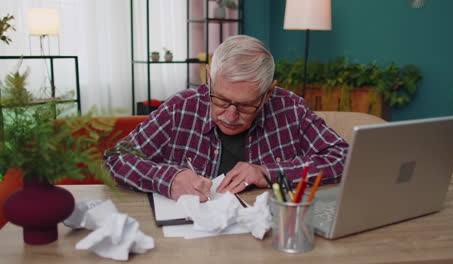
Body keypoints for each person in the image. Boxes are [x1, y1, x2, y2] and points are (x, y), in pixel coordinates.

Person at [105, 35, 348, 202]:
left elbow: (344, 158)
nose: (230, 116)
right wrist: (169, 179)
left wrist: (268, 172)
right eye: (220, 99)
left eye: (246, 105)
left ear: (268, 93)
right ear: (209, 77)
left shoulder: (290, 108)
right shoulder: (180, 108)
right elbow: (115, 160)